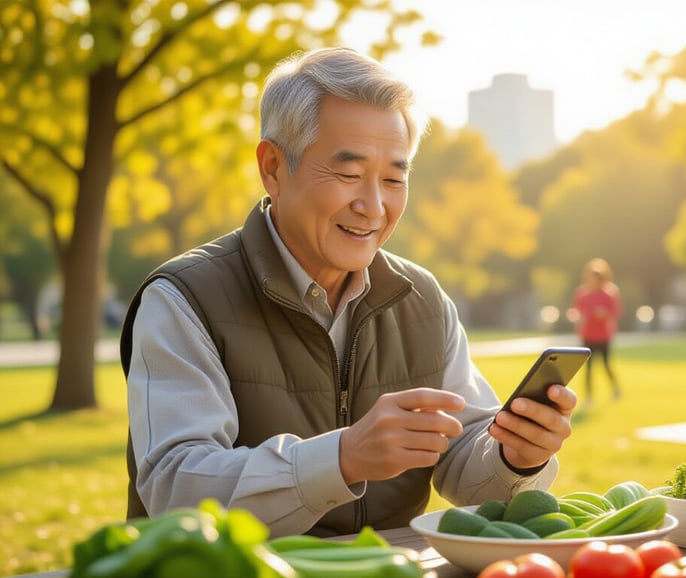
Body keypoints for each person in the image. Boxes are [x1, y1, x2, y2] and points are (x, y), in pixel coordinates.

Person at [120, 47, 576, 538]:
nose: (374, 207)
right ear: (273, 166)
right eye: (348, 174)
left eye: (393, 178)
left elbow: (465, 459)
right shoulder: (184, 299)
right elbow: (175, 490)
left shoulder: (421, 299)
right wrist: (343, 457)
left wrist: (514, 456)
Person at [571, 258, 622, 405]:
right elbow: (576, 311)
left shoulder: (609, 293)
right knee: (588, 367)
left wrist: (604, 314)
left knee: (606, 364)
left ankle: (615, 388)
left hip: (603, 335)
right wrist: (578, 318)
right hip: (587, 335)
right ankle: (588, 397)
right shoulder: (582, 294)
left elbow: (616, 312)